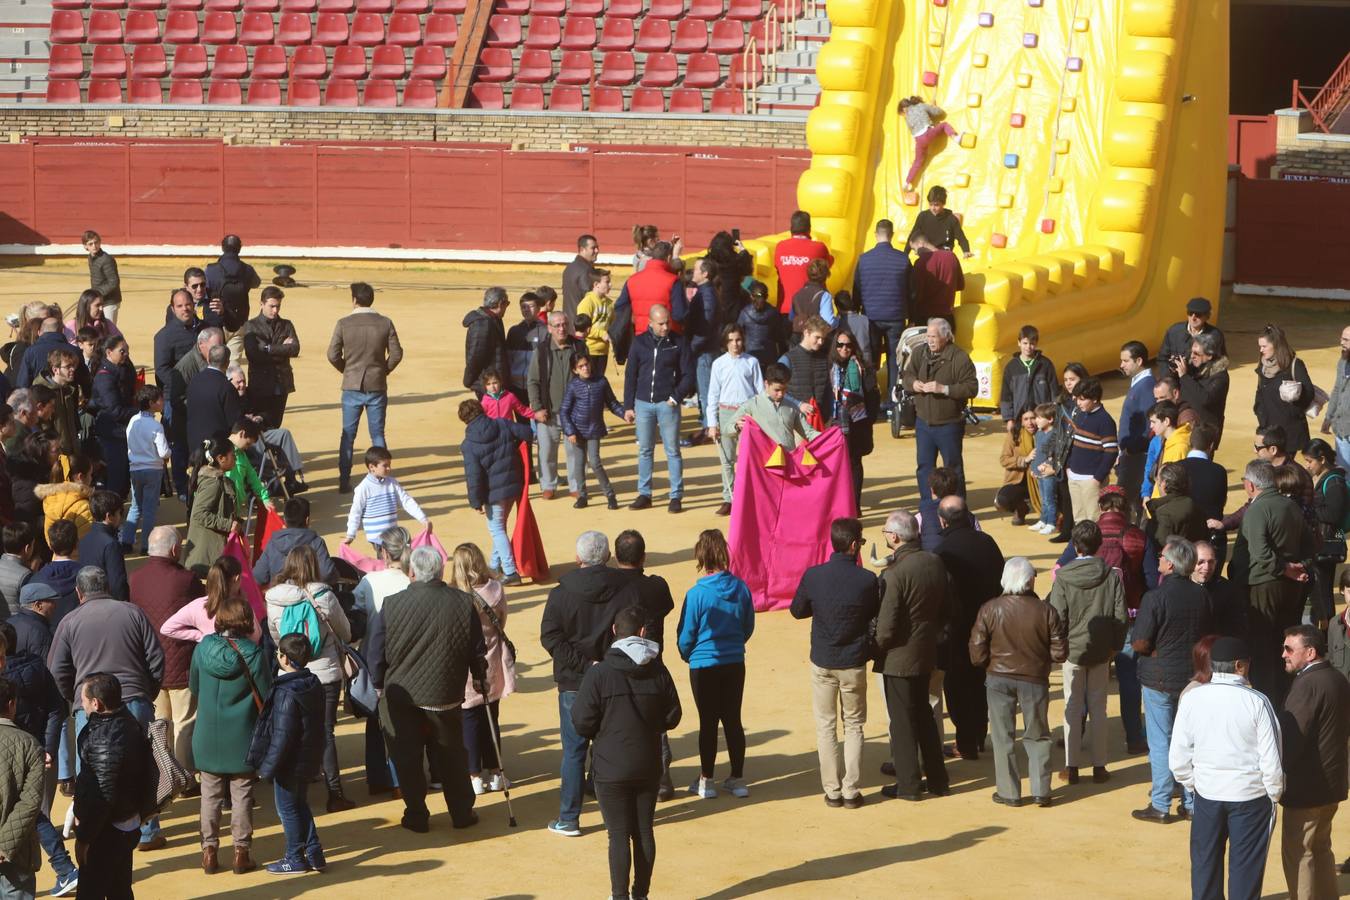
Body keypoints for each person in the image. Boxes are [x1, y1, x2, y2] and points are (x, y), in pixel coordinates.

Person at [366, 546, 485, 834]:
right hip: (445, 693)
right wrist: (479, 676)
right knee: (452, 755)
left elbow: (375, 652)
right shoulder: (463, 602)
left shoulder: (392, 604)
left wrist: (379, 683)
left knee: (407, 757)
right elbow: (476, 648)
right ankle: (460, 812)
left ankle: (417, 813)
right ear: (441, 571)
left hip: (400, 696)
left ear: (412, 572)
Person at [572, 605, 682, 900]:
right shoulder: (658, 670)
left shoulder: (600, 674)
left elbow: (581, 722)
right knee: (643, 831)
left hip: (610, 767)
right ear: (643, 633)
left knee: (618, 834)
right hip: (647, 763)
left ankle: (619, 896)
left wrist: (602, 731)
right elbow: (673, 716)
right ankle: (641, 895)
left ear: (613, 633)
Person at [1170, 636, 1283, 899]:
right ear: (1240, 666)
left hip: (1208, 794)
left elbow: (1178, 757)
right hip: (1250, 796)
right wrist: (1274, 793)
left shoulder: (1192, 698)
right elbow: (1272, 757)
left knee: (1204, 867)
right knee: (1246, 871)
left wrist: (1193, 783)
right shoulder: (1257, 701)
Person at [538, 531, 632, 836]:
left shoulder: (561, 593)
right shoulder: (625, 588)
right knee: (609, 748)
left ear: (579, 558)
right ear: (607, 557)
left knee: (575, 751)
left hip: (574, 682)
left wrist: (583, 665)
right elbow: (632, 630)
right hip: (614, 677)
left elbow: (551, 637)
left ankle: (569, 818)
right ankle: (615, 817)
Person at [790, 518, 879, 808]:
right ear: (854, 546)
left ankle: (832, 790)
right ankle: (851, 790)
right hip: (853, 662)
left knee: (826, 726)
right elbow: (875, 616)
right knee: (854, 725)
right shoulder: (867, 580)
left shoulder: (814, 576)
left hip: (824, 661)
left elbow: (797, 610)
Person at [968, 557, 1066, 807]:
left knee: (1003, 737)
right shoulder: (1046, 610)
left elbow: (976, 652)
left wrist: (990, 663)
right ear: (1029, 580)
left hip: (998, 678)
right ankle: (1041, 790)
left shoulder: (990, 608)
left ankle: (1009, 792)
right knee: (1038, 735)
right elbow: (1059, 652)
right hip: (1034, 679)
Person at [264, 545, 353, 813]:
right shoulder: (324, 594)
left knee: (293, 731)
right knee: (325, 731)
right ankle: (335, 793)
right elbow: (345, 632)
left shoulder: (274, 598)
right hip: (324, 673)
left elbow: (277, 637)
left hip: (290, 673)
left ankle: (297, 793)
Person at [1131, 537, 1213, 823]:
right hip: (1192, 677)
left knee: (1161, 741)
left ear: (1171, 563)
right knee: (1189, 741)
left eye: (1162, 557)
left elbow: (1140, 642)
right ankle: (1190, 803)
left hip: (1159, 677)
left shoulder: (1155, 597)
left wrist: (1150, 648)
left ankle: (1161, 802)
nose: (1158, 560)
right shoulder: (1201, 595)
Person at [189, 588, 270, 876]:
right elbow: (265, 696)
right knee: (242, 794)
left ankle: (209, 851)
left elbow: (195, 688)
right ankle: (241, 852)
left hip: (207, 734)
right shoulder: (255, 655)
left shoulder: (202, 648)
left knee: (209, 794)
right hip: (242, 735)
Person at [874, 510, 950, 800]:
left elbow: (887, 622)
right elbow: (946, 609)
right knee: (925, 716)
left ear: (893, 537)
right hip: (927, 650)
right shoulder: (934, 561)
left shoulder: (896, 573)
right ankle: (938, 780)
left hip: (899, 657)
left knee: (903, 723)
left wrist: (877, 646)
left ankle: (908, 785)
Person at [1047, 521, 1128, 785]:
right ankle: (1099, 767)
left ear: (1074, 545)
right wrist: (1114, 647)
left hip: (1073, 651)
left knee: (1072, 707)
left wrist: (1059, 648)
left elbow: (1058, 617)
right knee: (1099, 708)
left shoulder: (1064, 577)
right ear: (1099, 544)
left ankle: (1071, 767)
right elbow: (1120, 615)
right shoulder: (1111, 575)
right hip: (1102, 651)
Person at [677, 529, 754, 800]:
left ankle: (706, 780)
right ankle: (737, 778)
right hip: (734, 661)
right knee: (733, 719)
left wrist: (687, 653)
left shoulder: (696, 594)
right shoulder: (741, 588)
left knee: (708, 722)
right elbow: (748, 626)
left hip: (703, 664)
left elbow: (687, 634)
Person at [1, 622, 77, 897]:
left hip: (19, 749)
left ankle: (64, 868)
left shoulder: (11, 679)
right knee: (32, 811)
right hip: (31, 746)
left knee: (29, 811)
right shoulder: (36, 668)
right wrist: (47, 744)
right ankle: (64, 867)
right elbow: (57, 707)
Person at [1231, 459, 1315, 702]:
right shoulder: (1291, 506)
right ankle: (1286, 695)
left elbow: (1260, 552)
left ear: (1249, 485)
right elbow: (1311, 544)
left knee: (1263, 644)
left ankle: (1266, 699)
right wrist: (1299, 567)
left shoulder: (1258, 509)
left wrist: (1286, 568)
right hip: (1289, 586)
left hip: (1263, 584)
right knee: (1285, 641)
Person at [245, 632, 327, 875]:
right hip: (307, 758)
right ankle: (314, 852)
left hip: (289, 763)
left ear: (285, 659)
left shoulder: (285, 692)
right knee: (300, 805)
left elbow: (282, 736)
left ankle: (295, 857)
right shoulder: (313, 683)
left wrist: (267, 768)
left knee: (288, 809)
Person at [1279, 624, 1350, 899]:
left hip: (1307, 787)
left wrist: (1276, 773)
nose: (1283, 654)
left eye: (1289, 649)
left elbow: (1292, 737)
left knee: (1300, 856)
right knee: (1320, 850)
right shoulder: (1337, 678)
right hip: (1330, 784)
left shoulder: (1307, 684)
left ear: (1309, 653)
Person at [609, 529, 677, 798]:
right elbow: (666, 604)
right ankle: (662, 781)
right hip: (651, 663)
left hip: (617, 664)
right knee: (657, 725)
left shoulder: (609, 587)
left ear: (615, 557)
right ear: (644, 556)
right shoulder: (656, 586)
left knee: (615, 724)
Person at [130, 526, 203, 774]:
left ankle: (164, 775)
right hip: (181, 661)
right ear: (174, 549)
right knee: (185, 721)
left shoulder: (135, 579)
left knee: (161, 723)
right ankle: (186, 775)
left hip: (150, 666)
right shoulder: (187, 579)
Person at [935, 495, 1003, 760]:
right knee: (981, 682)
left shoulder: (943, 551)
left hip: (959, 630)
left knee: (957, 686)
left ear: (942, 519)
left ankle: (966, 742)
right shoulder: (988, 542)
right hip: (991, 626)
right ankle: (979, 736)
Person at [72, 672, 152, 894]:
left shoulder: (104, 738)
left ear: (96, 703)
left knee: (92, 891)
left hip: (107, 831)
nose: (82, 704)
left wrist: (84, 838)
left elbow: (103, 795)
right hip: (125, 823)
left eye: (84, 700)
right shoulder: (127, 722)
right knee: (120, 889)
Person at [448, 544, 515, 797]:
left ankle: (474, 775)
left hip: (465, 665)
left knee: (469, 721)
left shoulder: (455, 596)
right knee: (492, 717)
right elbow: (503, 620)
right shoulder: (496, 589)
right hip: (492, 661)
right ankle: (497, 772)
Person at [350, 526, 411, 796]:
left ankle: (378, 778)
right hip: (409, 660)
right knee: (406, 721)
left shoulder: (369, 582)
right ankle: (406, 777)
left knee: (376, 722)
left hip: (375, 661)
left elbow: (355, 618)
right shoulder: (413, 581)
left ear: (384, 552)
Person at [327, 281, 403, 494]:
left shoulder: (343, 323)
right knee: (377, 434)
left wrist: (347, 370)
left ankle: (344, 480)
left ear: (354, 300)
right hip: (377, 385)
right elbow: (396, 354)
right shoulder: (385, 322)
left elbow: (332, 355)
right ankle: (383, 478)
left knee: (347, 435)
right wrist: (383, 370)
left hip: (352, 385)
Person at [623, 305, 694, 514]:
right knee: (645, 450)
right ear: (650, 323)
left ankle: (675, 496)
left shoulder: (679, 342)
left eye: (667, 322)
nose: (665, 327)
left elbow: (688, 374)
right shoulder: (639, 343)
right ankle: (645, 494)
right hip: (643, 403)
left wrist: (676, 396)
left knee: (672, 450)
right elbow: (630, 375)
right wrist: (628, 406)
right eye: (661, 323)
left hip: (667, 404)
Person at [459, 398, 533, 586]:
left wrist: (476, 502)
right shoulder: (502, 423)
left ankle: (510, 571)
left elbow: (474, 476)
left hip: (494, 493)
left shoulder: (469, 444)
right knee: (500, 527)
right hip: (514, 483)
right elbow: (527, 433)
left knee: (497, 529)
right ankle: (494, 565)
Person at [902, 318, 978, 502]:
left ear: (946, 336)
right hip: (923, 423)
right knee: (924, 467)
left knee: (953, 469)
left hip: (949, 424)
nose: (930, 340)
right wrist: (914, 384)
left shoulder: (959, 358)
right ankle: (928, 505)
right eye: (928, 336)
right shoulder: (920, 353)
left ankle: (957, 507)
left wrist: (944, 389)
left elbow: (971, 387)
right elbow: (907, 375)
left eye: (934, 336)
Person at [0, 668, 50, 900]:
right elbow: (30, 803)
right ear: (12, 704)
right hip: (17, 853)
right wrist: (5, 845)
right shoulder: (29, 745)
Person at [705, 325, 763, 516]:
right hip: (726, 412)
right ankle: (729, 498)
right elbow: (712, 394)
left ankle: (748, 496)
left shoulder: (752, 362)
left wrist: (761, 417)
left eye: (738, 339)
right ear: (725, 342)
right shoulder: (718, 364)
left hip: (748, 412)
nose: (735, 344)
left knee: (748, 458)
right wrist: (712, 424)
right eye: (731, 340)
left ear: (743, 340)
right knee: (726, 458)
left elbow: (760, 392)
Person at [529, 311, 585, 502]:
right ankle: (548, 485)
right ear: (549, 328)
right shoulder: (541, 351)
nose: (561, 329)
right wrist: (537, 408)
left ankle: (576, 485)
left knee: (575, 451)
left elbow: (589, 377)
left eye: (564, 324)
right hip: (549, 412)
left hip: (574, 412)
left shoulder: (579, 346)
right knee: (546, 451)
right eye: (557, 325)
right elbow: (533, 381)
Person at [852, 219, 912, 399]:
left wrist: (856, 312)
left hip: (871, 317)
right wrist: (911, 315)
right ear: (891, 235)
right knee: (895, 360)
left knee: (870, 359)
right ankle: (894, 401)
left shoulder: (864, 259)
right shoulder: (903, 259)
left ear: (876, 235)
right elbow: (912, 291)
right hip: (896, 316)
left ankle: (873, 399)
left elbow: (857, 289)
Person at [559, 353, 625, 510]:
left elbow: (613, 403)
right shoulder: (573, 385)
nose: (585, 368)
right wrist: (570, 431)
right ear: (575, 370)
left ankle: (610, 495)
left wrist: (624, 414)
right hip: (577, 430)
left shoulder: (601, 382)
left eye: (586, 364)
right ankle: (582, 495)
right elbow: (564, 411)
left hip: (594, 429)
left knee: (595, 462)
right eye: (581, 366)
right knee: (579, 463)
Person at [343, 446, 430, 549]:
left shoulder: (392, 483)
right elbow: (355, 512)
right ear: (372, 467)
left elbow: (406, 501)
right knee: (392, 561)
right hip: (377, 538)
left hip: (393, 536)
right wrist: (350, 535)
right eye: (385, 465)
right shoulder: (363, 488)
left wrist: (423, 518)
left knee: (401, 555)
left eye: (389, 465)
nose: (389, 468)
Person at [1302, 438, 1347, 626]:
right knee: (1321, 590)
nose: (1307, 465)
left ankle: (1327, 631)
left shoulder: (1334, 482)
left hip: (1327, 544)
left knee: (1323, 591)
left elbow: (1333, 514)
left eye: (1310, 461)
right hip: (1323, 543)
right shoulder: (1326, 478)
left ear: (1322, 459)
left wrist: (1308, 509)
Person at [183, 436, 242, 577]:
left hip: (208, 552)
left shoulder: (214, 479)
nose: (235, 458)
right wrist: (229, 525)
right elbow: (199, 514)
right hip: (207, 556)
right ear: (221, 458)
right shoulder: (213, 483)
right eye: (232, 455)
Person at [241, 286, 298, 429]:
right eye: (272, 306)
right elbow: (254, 356)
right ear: (261, 304)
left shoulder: (286, 324)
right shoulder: (250, 326)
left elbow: (295, 349)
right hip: (260, 384)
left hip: (281, 384)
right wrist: (282, 350)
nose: (275, 310)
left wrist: (268, 348)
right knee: (258, 425)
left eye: (278, 306)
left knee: (276, 425)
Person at [1254, 323, 1316, 455]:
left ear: (1275, 345)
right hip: (1269, 431)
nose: (1261, 350)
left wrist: (1295, 397)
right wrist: (1261, 424)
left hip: (1289, 432)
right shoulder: (1263, 366)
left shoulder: (1294, 364)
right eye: (1260, 346)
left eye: (1264, 346)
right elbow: (1260, 395)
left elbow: (1309, 393)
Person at [121, 385, 169, 554]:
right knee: (149, 509)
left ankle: (126, 541)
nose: (162, 402)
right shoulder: (156, 426)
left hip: (135, 469)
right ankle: (146, 545)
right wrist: (170, 451)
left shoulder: (133, 421)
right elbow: (164, 452)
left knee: (135, 506)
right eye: (159, 400)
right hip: (153, 470)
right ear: (151, 403)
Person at [1064, 377, 1118, 525]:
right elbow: (1074, 443)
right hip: (1074, 476)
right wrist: (1069, 466)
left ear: (1094, 399)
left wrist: (1097, 478)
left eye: (1082, 399)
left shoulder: (1105, 421)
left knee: (1095, 520)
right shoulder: (1081, 415)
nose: (1078, 403)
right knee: (1079, 520)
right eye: (1077, 399)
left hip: (1091, 480)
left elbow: (1111, 451)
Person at [251, 497, 335, 587]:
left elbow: (259, 576)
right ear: (307, 520)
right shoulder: (316, 542)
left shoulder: (273, 543)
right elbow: (327, 573)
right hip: (308, 597)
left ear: (284, 520)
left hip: (279, 598)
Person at [614, 242, 686, 343]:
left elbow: (620, 307)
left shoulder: (632, 280)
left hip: (640, 338)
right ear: (669, 258)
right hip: (667, 338)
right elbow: (679, 314)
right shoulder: (673, 281)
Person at [999, 326, 1058, 436]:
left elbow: (1054, 392)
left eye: (1032, 343)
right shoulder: (1011, 367)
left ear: (1036, 343)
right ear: (1019, 343)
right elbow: (1006, 395)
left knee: (1042, 449)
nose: (1028, 347)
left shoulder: (1045, 364)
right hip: (1020, 418)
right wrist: (1009, 419)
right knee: (1022, 450)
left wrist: (1053, 415)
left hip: (1042, 419)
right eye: (1025, 343)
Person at [772, 210, 833, 312]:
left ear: (791, 229)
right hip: (811, 311)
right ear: (809, 229)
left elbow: (778, 268)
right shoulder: (819, 248)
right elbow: (829, 264)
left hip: (785, 309)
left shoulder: (780, 247)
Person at [1175, 330, 1231, 440]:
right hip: (1189, 427)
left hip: (1205, 434)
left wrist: (1184, 377)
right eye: (1192, 352)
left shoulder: (1220, 376)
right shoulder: (1195, 369)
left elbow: (1206, 399)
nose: (1192, 357)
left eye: (1196, 354)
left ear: (1209, 355)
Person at [185, 345, 241, 452]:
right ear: (227, 363)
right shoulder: (226, 387)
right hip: (216, 448)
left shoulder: (194, 380)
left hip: (194, 444)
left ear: (208, 359)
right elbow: (233, 422)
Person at [1145, 462, 1208, 552]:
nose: (1157, 483)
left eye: (1158, 480)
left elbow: (1160, 548)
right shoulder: (1197, 507)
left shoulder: (1163, 513)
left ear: (1164, 484)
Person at [78, 491, 127, 603]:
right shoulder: (111, 544)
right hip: (109, 604)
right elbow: (117, 584)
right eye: (119, 513)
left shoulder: (84, 539)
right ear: (109, 516)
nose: (120, 518)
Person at [898, 100, 958, 192]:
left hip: (919, 141)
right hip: (929, 133)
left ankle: (907, 183)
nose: (904, 116)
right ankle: (955, 137)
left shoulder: (907, 119)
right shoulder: (920, 106)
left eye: (902, 114)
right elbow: (940, 113)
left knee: (917, 162)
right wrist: (933, 107)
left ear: (904, 109)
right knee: (944, 125)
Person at [785, 316, 835, 424]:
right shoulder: (788, 359)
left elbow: (828, 390)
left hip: (822, 420)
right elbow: (775, 391)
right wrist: (798, 404)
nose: (821, 342)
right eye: (817, 337)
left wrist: (831, 415)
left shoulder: (824, 359)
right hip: (797, 421)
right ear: (806, 332)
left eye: (823, 338)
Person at [994, 407, 1040, 526]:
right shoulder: (1014, 434)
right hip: (1017, 481)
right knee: (1002, 500)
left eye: (1033, 418)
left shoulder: (1045, 433)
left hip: (1039, 480)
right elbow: (1004, 460)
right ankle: (1021, 509)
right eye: (1026, 419)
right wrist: (1024, 460)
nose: (1030, 422)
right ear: (1021, 421)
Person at [1158, 296, 1226, 375]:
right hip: (1174, 379)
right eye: (1190, 313)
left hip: (1201, 381)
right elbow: (1162, 359)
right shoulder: (1174, 331)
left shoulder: (1215, 336)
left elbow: (1219, 364)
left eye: (1198, 314)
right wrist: (1168, 376)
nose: (1193, 318)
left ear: (1207, 316)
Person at [462, 287, 511, 396]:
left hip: (491, 382)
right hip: (487, 384)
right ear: (500, 303)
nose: (506, 307)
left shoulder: (493, 319)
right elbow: (476, 357)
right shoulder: (483, 324)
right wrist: (469, 381)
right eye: (506, 304)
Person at [34, 454, 93, 542]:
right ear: (80, 477)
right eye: (90, 474)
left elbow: (50, 540)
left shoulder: (50, 500)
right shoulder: (83, 506)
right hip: (78, 555)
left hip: (57, 555)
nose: (91, 478)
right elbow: (87, 542)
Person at [909, 236, 965, 327]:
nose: (915, 253)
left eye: (913, 249)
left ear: (921, 244)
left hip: (926, 318)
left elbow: (916, 293)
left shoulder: (921, 262)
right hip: (947, 317)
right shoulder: (951, 256)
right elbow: (960, 285)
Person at [1142, 400, 1192, 500]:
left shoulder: (1178, 448)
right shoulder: (1168, 441)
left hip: (1166, 507)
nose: (1151, 426)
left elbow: (1171, 486)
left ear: (1166, 421)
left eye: (1153, 422)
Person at [738, 280, 787, 372]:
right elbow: (780, 338)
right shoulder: (774, 313)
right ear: (767, 296)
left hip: (749, 355)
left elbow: (738, 333)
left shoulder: (744, 313)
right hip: (769, 356)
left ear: (751, 296)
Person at [576, 269, 615, 378]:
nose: (610, 285)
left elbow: (611, 325)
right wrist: (602, 334)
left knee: (599, 383)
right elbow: (582, 327)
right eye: (607, 282)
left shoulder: (610, 304)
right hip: (589, 350)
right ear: (596, 284)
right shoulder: (587, 303)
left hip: (603, 351)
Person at [1322, 324, 1350, 471]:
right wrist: (1328, 417)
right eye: (1341, 338)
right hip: (1342, 429)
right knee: (1344, 473)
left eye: (1346, 339)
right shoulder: (1343, 361)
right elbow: (1337, 390)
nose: (1341, 342)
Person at [790, 259, 836, 337]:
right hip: (815, 340)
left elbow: (791, 318)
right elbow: (829, 322)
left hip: (798, 340)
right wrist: (838, 321)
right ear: (825, 276)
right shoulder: (824, 295)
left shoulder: (797, 294)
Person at [83, 230, 121, 321]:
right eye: (90, 244)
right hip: (98, 300)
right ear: (85, 246)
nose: (94, 246)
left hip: (110, 301)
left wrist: (96, 293)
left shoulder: (106, 259)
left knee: (109, 329)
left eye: (96, 242)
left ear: (100, 242)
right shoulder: (90, 257)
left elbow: (113, 282)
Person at [562, 234, 600, 325]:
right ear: (582, 249)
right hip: (582, 325)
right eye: (593, 248)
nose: (597, 251)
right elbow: (589, 298)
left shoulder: (569, 267)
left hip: (569, 322)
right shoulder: (586, 270)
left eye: (597, 247)